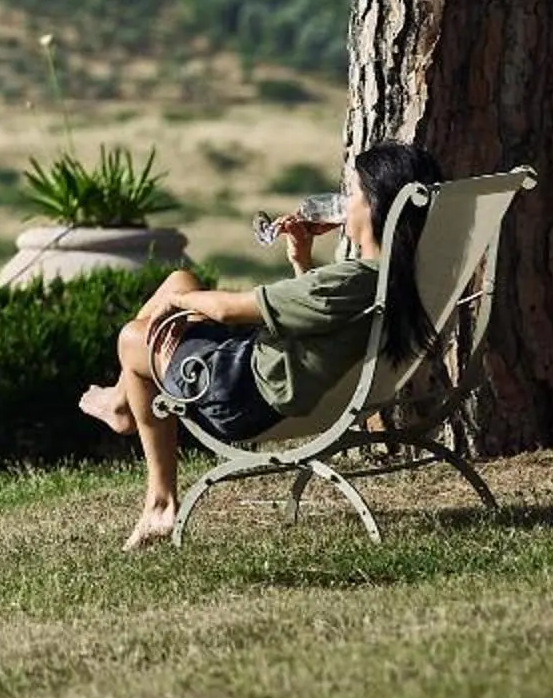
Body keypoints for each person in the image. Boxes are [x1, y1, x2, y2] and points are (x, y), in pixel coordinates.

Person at [78, 140, 446, 551]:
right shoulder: (393, 278)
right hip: (270, 372)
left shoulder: (349, 282)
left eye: (351, 192)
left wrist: (175, 306)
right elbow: (324, 321)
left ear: (376, 206)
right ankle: (121, 401)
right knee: (180, 279)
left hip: (239, 394)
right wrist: (301, 261)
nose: (342, 202)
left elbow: (228, 310)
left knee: (135, 337)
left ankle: (159, 498)